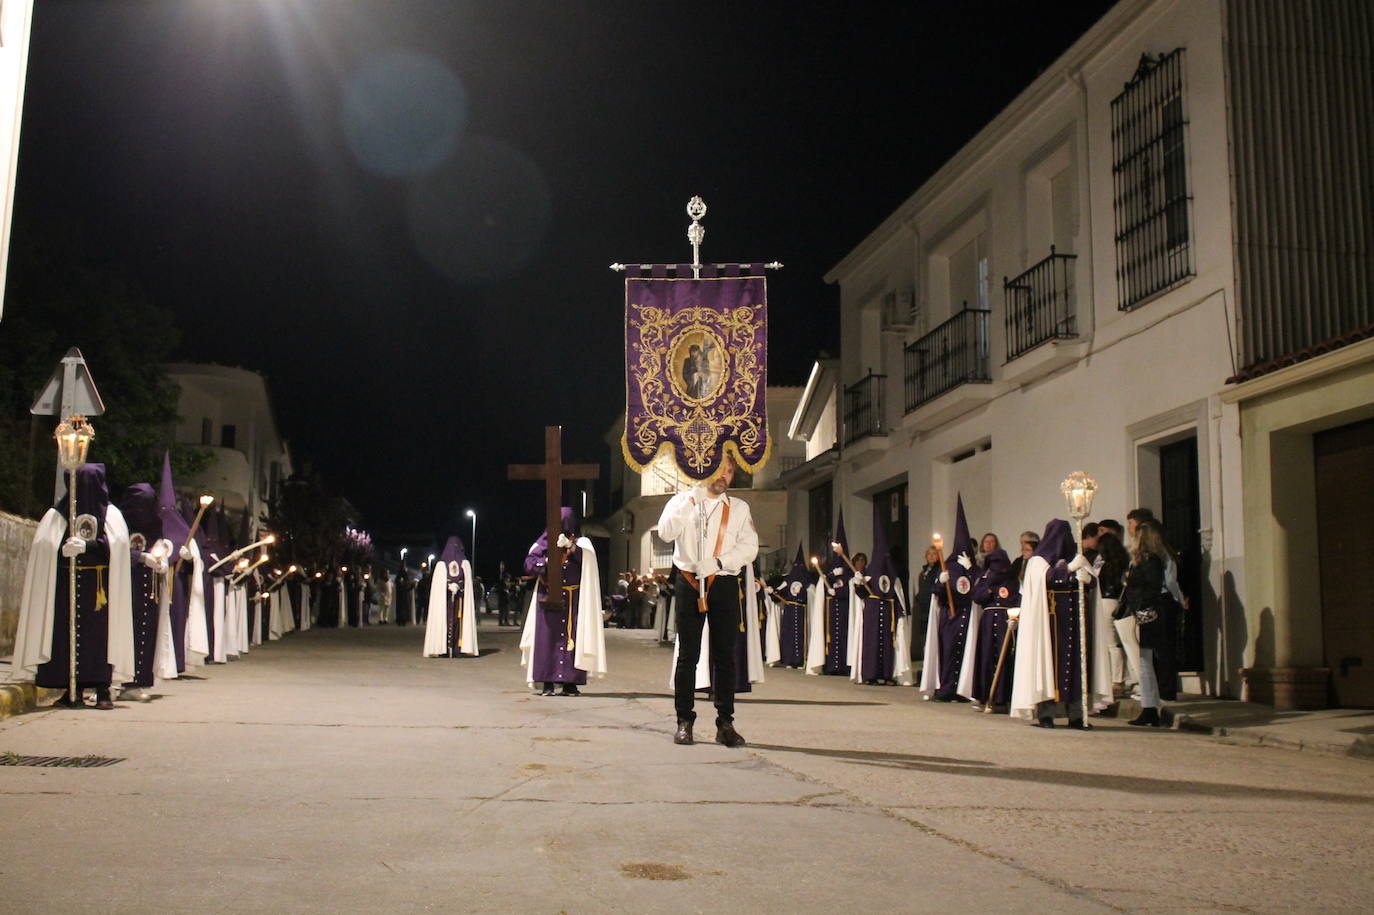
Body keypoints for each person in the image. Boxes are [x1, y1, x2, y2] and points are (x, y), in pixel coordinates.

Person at [13, 464, 135, 710]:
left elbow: (120, 547)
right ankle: (72, 690)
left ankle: (102, 690)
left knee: (100, 640)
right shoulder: (58, 514)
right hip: (66, 586)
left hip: (100, 592)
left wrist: (89, 546)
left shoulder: (111, 514)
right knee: (66, 637)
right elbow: (43, 545)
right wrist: (61, 548)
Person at [656, 454, 758, 747]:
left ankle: (725, 722)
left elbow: (749, 548)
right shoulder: (680, 501)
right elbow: (665, 533)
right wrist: (691, 501)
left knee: (725, 654)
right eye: (720, 469)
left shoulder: (738, 508)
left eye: (730, 471)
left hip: (723, 581)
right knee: (688, 654)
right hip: (689, 581)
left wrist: (719, 562)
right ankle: (684, 721)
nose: (725, 475)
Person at [1009, 519, 1113, 728]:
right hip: (1050, 624)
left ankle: (1077, 714)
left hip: (1077, 622)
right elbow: (1045, 579)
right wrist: (1068, 571)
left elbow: (1092, 582)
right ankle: (1046, 714)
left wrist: (1088, 579)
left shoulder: (1077, 557)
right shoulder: (1038, 561)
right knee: (1048, 667)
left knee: (1078, 667)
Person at [519, 508, 606, 696]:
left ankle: (570, 683)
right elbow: (529, 563)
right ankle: (547, 682)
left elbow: (588, 561)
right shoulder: (543, 541)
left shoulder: (582, 543)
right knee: (547, 639)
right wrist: (547, 562)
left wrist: (571, 547)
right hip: (548, 597)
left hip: (574, 600)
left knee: (572, 639)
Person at [116, 483, 177, 701]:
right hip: (123, 587)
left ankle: (136, 683)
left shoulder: (154, 526)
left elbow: (160, 548)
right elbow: (113, 548)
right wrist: (139, 557)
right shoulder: (118, 523)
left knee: (144, 634)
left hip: (147, 590)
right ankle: (112, 682)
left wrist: (161, 563)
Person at [920, 496, 976, 702]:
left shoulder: (973, 566)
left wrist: (973, 571)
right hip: (950, 616)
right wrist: (940, 582)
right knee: (949, 651)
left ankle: (963, 690)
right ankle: (946, 688)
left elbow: (978, 588)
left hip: (967, 615)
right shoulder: (948, 565)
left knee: (966, 653)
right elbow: (936, 591)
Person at [1120, 519, 1172, 727]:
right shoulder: (1146, 561)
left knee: (1146, 661)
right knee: (1144, 662)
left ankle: (1150, 708)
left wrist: (1140, 605)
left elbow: (1151, 588)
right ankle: (1149, 707)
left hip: (1147, 613)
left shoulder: (1151, 561)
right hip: (1144, 611)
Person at [849, 520, 912, 687]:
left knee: (889, 645)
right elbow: (862, 595)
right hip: (873, 613)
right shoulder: (869, 572)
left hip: (888, 613)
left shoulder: (893, 575)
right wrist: (858, 583)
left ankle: (888, 674)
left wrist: (900, 612)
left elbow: (898, 595)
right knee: (872, 643)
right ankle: (871, 674)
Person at [960, 547, 1020, 710]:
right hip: (988, 622)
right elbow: (977, 596)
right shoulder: (985, 579)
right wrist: (988, 590)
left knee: (1003, 657)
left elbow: (1015, 598)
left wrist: (1015, 618)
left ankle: (1001, 698)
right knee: (986, 657)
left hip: (1004, 621)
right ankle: (984, 695)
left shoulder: (1011, 580)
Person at [808, 515, 855, 676]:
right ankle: (831, 666)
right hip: (831, 611)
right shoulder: (831, 572)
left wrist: (840, 591)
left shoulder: (849, 573)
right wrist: (830, 577)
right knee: (831, 638)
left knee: (844, 637)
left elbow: (853, 589)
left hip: (845, 612)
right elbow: (823, 583)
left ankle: (844, 666)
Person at [1095, 530, 1136, 695]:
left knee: (1112, 644)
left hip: (1106, 602)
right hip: (1118, 602)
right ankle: (1126, 678)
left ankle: (1117, 680)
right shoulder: (1123, 562)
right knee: (1123, 642)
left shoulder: (1104, 566)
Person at [423, 536, 478, 658]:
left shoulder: (465, 564)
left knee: (459, 622)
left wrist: (459, 586)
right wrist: (447, 586)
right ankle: (443, 647)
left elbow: (467, 582)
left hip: (460, 600)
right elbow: (438, 586)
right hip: (445, 601)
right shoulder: (441, 565)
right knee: (444, 622)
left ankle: (458, 647)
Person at [774, 547, 811, 668]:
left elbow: (810, 595)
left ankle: (801, 660)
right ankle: (789, 660)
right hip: (789, 612)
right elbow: (779, 593)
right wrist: (774, 592)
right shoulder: (788, 580)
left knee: (800, 636)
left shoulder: (807, 580)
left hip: (801, 611)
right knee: (789, 636)